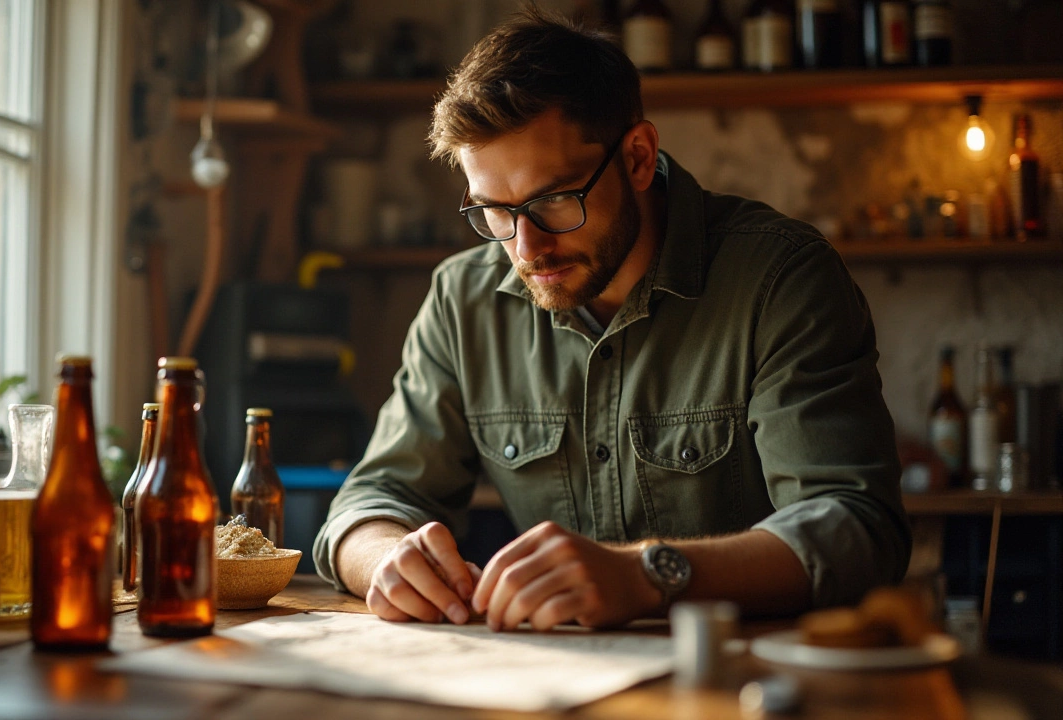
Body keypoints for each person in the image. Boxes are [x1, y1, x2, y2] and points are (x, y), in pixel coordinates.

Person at [313, 7, 910, 632]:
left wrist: (646, 575)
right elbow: (369, 502)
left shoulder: (782, 279)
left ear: (638, 158)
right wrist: (385, 556)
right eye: (494, 210)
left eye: (553, 201)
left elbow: (857, 529)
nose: (526, 248)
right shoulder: (463, 302)